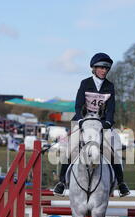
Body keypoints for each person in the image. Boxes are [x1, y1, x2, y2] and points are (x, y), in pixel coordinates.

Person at [53, 52, 130, 197]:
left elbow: (111, 108)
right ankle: (62, 182)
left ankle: (121, 183)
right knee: (71, 148)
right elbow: (78, 105)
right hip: (83, 122)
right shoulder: (85, 83)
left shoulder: (110, 86)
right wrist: (81, 120)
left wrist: (107, 122)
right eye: (101, 68)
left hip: (102, 124)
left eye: (106, 68)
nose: (104, 71)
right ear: (94, 69)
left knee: (112, 151)